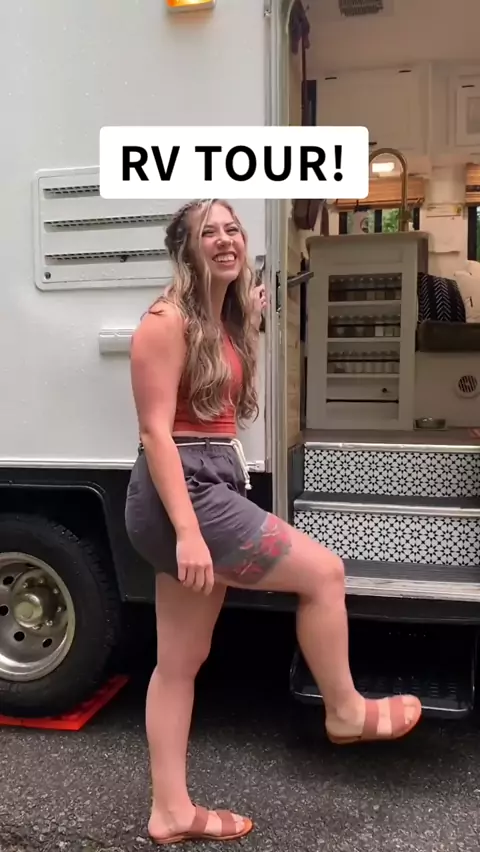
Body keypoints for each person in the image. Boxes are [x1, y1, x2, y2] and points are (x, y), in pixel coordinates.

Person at [125, 198, 422, 845]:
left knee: (178, 662)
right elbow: (155, 433)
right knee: (324, 574)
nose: (225, 240)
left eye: (233, 229)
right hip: (187, 490)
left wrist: (252, 317)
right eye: (209, 232)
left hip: (202, 484)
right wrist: (188, 532)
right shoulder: (165, 321)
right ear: (185, 248)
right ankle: (345, 711)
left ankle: (170, 811)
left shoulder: (219, 319)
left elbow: (216, 383)